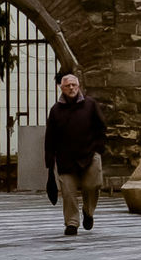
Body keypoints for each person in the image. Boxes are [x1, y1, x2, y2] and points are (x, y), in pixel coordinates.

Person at [44, 73, 107, 235]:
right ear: (61, 87)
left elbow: (101, 127)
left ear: (78, 86)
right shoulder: (56, 110)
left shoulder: (90, 104)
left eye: (74, 85)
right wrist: (50, 159)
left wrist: (99, 147)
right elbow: (50, 136)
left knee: (92, 185)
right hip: (65, 158)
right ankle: (72, 223)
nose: (71, 88)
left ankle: (88, 211)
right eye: (67, 86)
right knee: (68, 192)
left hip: (90, 153)